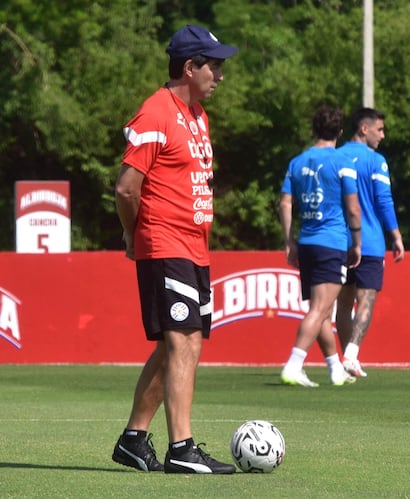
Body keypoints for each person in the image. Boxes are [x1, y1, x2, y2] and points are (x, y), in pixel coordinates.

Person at [112, 25, 238, 473]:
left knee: (179, 345)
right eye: (214, 66)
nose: (220, 75)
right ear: (190, 67)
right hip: (165, 242)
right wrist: (133, 234)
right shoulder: (155, 112)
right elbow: (127, 189)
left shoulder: (198, 115)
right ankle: (182, 449)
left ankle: (132, 438)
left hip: (194, 246)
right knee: (182, 341)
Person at [278, 106, 362, 387]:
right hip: (332, 242)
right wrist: (357, 242)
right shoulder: (343, 161)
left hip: (308, 242)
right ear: (340, 131)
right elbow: (352, 208)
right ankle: (293, 364)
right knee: (320, 310)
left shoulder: (297, 162)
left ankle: (335, 368)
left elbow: (285, 203)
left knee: (320, 309)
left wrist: (289, 240)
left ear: (314, 129)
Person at [335, 108, 405, 378]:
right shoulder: (376, 161)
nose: (383, 135)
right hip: (370, 240)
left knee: (343, 302)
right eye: (380, 129)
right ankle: (351, 355)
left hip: (339, 240)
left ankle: (344, 361)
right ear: (364, 129)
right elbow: (384, 200)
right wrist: (396, 235)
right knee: (366, 298)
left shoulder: (336, 156)